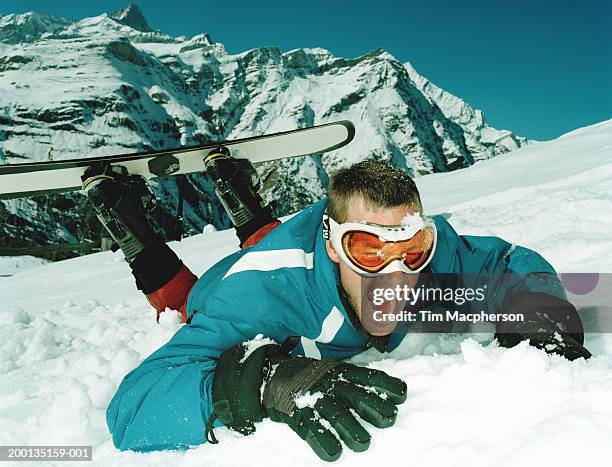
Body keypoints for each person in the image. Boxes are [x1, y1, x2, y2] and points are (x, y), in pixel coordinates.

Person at [84, 156, 590, 461]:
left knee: (267, 238)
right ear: (336, 246)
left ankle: (235, 187)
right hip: (226, 285)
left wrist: (542, 308)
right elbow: (131, 412)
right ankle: (121, 217)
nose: (397, 276)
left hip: (297, 250)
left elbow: (507, 260)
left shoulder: (429, 259)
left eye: (410, 248)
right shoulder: (259, 296)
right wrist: (256, 384)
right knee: (180, 298)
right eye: (369, 250)